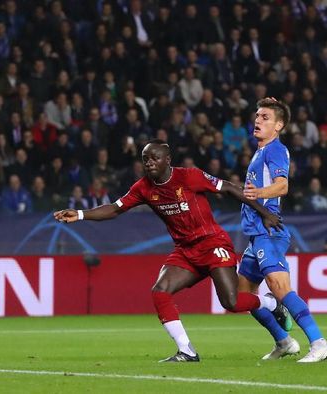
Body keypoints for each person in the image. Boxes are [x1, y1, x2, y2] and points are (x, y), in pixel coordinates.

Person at [54, 140, 285, 362]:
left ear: (168, 160)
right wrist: (81, 214)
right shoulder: (143, 188)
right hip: (185, 250)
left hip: (213, 243)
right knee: (160, 290)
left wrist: (264, 214)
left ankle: (270, 304)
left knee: (231, 303)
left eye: (154, 157)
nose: (149, 162)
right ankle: (187, 351)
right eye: (145, 159)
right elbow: (115, 209)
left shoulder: (189, 176)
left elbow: (231, 188)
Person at [239, 98, 327, 362]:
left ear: (279, 125)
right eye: (257, 115)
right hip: (255, 234)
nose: (258, 120)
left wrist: (258, 193)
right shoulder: (260, 151)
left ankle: (319, 342)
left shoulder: (275, 150)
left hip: (268, 231)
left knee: (280, 287)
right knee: (243, 296)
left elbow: (282, 186)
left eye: (265, 117)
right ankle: (284, 341)